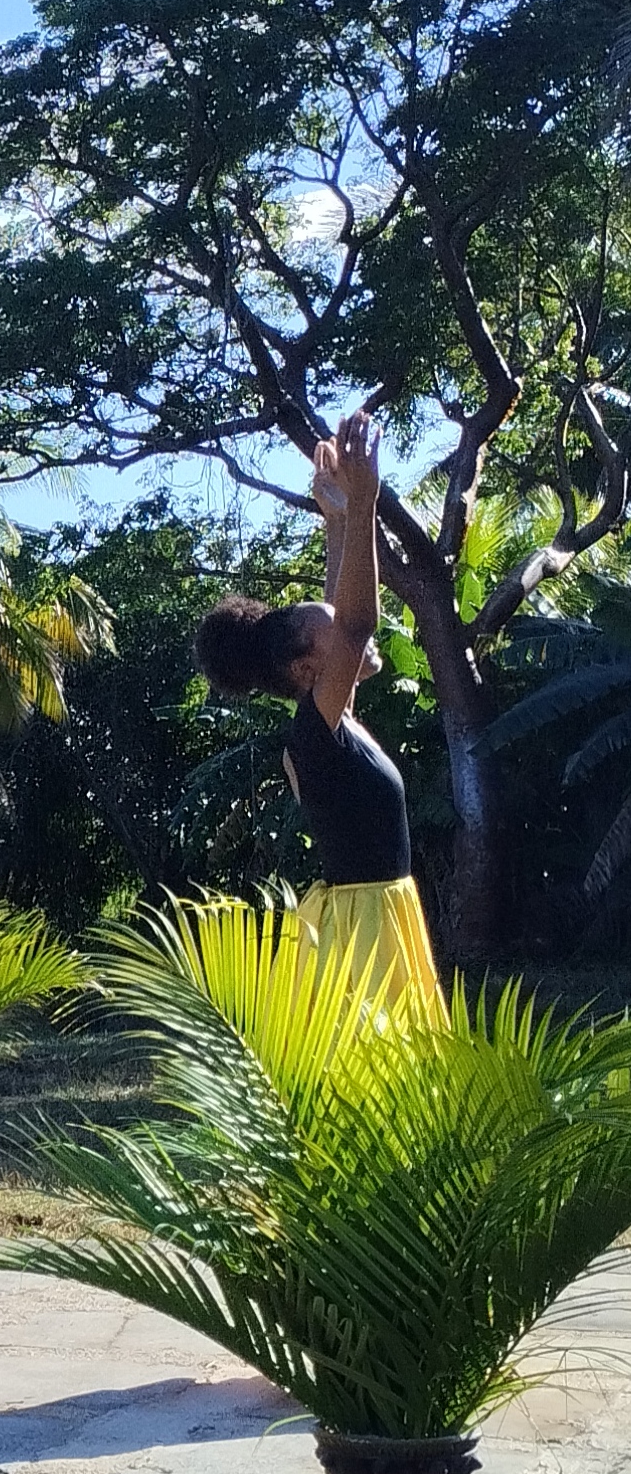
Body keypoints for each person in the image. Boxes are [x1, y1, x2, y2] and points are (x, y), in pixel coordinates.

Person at [193, 406, 445, 1026]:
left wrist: (336, 520)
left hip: (379, 917)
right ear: (309, 671)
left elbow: (339, 611)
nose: (349, 636)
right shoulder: (315, 732)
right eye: (329, 639)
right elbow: (355, 622)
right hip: (365, 932)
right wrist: (364, 507)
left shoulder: (334, 725)